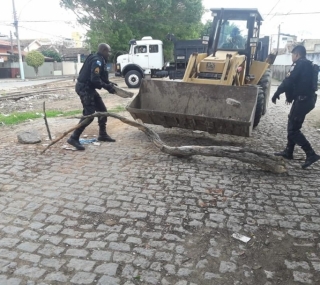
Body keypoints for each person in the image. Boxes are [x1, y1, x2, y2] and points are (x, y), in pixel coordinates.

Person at [272, 45, 320, 169]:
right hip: (306, 100)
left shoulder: (299, 65)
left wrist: (277, 92)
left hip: (303, 101)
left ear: (297, 55)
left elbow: (289, 80)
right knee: (292, 123)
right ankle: (289, 151)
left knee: (293, 130)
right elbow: (298, 83)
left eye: (293, 55)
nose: (292, 57)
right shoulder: (308, 65)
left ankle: (311, 154)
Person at [67, 43, 117, 151]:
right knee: (89, 115)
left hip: (89, 88)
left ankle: (102, 134)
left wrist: (110, 84)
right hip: (84, 88)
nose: (109, 54)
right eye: (108, 51)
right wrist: (107, 87)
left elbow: (100, 78)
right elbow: (95, 80)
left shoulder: (99, 59)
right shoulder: (97, 61)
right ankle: (73, 138)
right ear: (103, 50)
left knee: (102, 110)